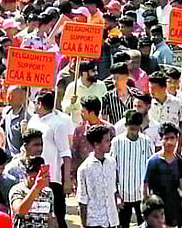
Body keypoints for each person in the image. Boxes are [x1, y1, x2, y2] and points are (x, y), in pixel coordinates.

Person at [25, 90, 72, 228]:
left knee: (57, 216)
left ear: (40, 104)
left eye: (35, 103)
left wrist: (67, 181)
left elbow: (66, 153)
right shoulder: (33, 120)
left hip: (52, 178)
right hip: (33, 176)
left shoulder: (58, 124)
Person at [111, 110, 154, 226]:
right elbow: (111, 169)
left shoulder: (146, 141)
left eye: (136, 128)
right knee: (122, 224)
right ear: (126, 126)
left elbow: (151, 167)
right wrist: (116, 194)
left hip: (141, 194)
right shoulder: (117, 142)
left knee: (145, 224)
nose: (133, 132)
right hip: (123, 194)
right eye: (131, 129)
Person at [144, 122, 182, 228]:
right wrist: (147, 207)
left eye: (172, 138)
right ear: (161, 139)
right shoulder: (153, 161)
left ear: (177, 139)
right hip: (158, 207)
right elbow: (145, 186)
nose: (170, 142)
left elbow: (180, 184)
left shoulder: (178, 160)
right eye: (166, 138)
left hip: (175, 205)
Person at [76, 125, 119, 228]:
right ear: (96, 144)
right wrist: (83, 225)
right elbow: (82, 200)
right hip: (95, 222)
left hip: (112, 220)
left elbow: (112, 189)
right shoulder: (84, 169)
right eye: (107, 141)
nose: (110, 143)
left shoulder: (111, 163)